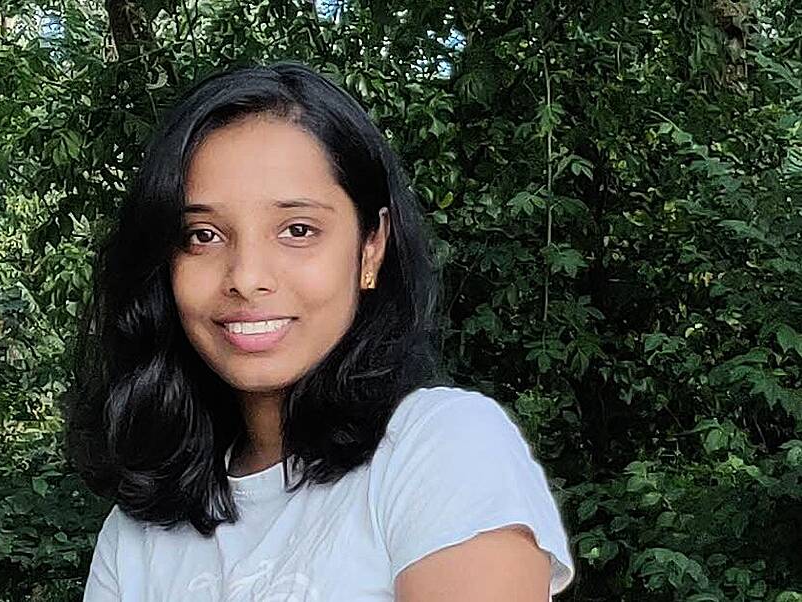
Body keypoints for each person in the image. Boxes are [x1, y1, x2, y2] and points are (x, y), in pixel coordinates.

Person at [66, 61, 575, 601]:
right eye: (204, 235)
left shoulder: (440, 446)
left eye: (298, 230)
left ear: (370, 246)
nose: (246, 278)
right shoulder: (139, 529)